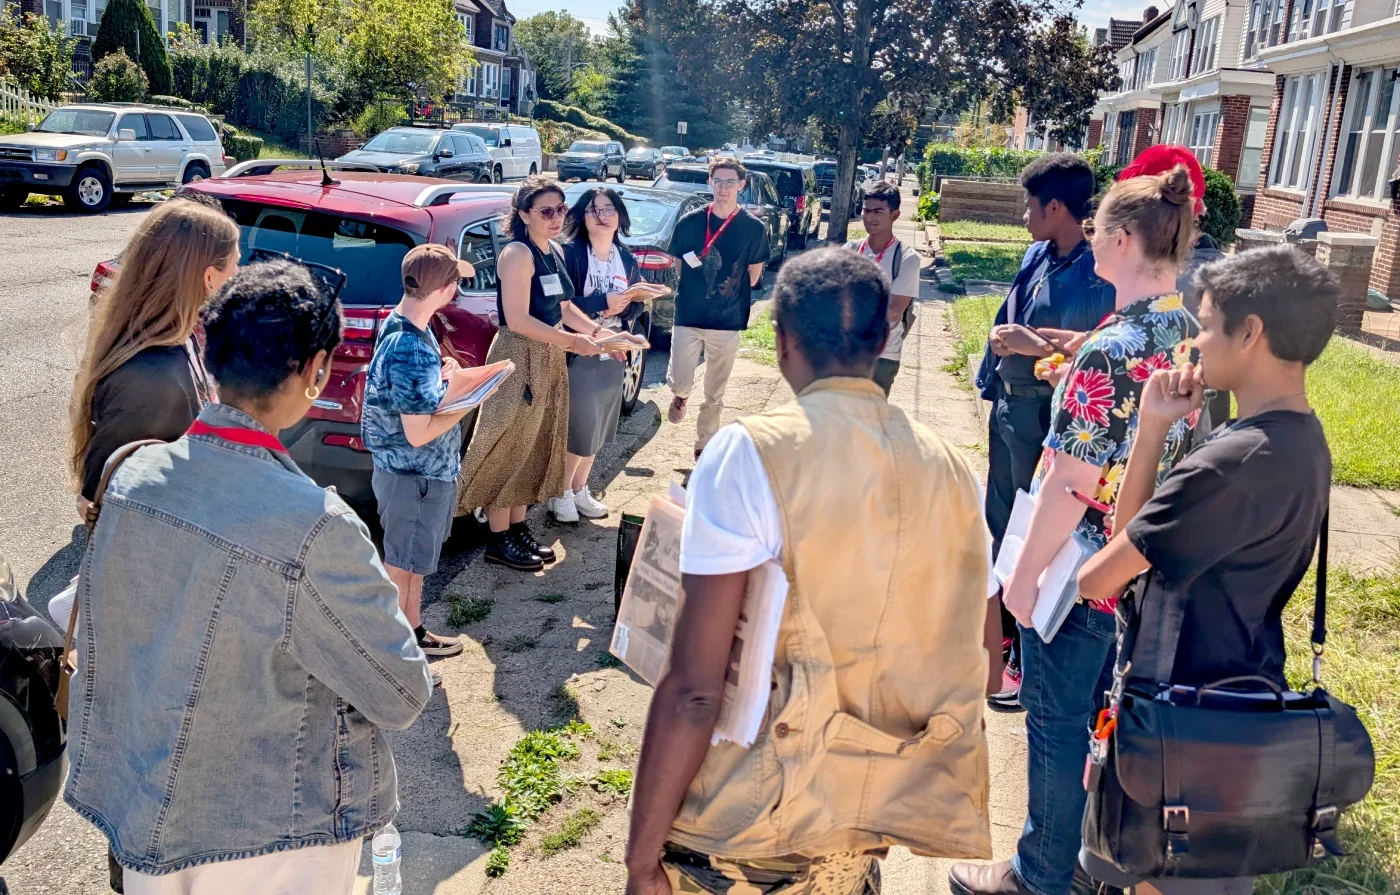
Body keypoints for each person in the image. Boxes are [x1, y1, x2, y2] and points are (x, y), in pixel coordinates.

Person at [626, 249, 994, 895]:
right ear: (884, 336)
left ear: (781, 341)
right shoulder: (952, 469)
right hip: (863, 823)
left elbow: (694, 690)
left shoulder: (749, 452)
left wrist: (639, 858)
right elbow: (982, 652)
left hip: (749, 821)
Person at [65, 260, 432, 894]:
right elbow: (401, 692)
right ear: (316, 371)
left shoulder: (130, 474)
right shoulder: (317, 527)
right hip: (273, 836)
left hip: (143, 804)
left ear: (208, 350)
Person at [950, 165, 1201, 895]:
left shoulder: (1110, 348)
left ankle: (1039, 873)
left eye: (1097, 229)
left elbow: (1069, 482)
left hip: (1080, 568)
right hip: (1145, 562)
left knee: (1055, 724)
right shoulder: (1187, 332)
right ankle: (1092, 860)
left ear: (1121, 241)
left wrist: (1022, 579)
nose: (1089, 238)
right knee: (1103, 721)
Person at [1073, 246, 1339, 895]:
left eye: (1210, 323)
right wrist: (1151, 428)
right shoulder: (1301, 440)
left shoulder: (1233, 464)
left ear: (1251, 333)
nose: (1196, 340)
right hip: (1240, 712)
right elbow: (1133, 540)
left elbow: (1098, 578)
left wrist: (1151, 438)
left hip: (1179, 731)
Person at [974, 153, 1115, 711]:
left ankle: (1024, 655)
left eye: (1030, 205)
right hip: (1009, 407)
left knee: (1036, 528)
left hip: (1046, 417)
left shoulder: (1097, 272)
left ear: (1056, 207)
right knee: (1000, 522)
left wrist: (1034, 344)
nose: (1024, 215)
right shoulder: (1036, 254)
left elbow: (1095, 353)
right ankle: (1001, 636)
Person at [454, 176, 604, 571]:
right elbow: (518, 320)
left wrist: (599, 333)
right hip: (519, 355)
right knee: (508, 444)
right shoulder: (518, 254)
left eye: (561, 209)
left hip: (548, 354)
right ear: (524, 215)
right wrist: (572, 342)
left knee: (533, 444)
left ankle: (517, 528)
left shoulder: (553, 249)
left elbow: (564, 308)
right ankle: (498, 538)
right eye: (546, 211)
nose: (556, 218)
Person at [69, 196, 240, 513]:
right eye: (234, 266)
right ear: (209, 278)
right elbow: (96, 499)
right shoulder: (151, 379)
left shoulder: (178, 337)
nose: (238, 275)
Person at [363, 243, 482, 660]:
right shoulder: (409, 345)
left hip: (416, 475)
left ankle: (411, 633)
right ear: (444, 288)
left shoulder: (409, 325)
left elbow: (414, 396)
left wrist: (444, 376)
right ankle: (394, 652)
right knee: (402, 563)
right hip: (414, 474)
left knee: (411, 560)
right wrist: (470, 398)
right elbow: (417, 433)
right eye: (455, 281)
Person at [551, 187, 668, 523]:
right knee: (580, 424)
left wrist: (631, 303)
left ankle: (580, 489)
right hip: (580, 348)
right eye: (593, 210)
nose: (601, 216)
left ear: (619, 216)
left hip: (615, 349)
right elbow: (561, 305)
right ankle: (560, 492)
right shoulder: (570, 254)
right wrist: (603, 302)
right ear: (582, 216)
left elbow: (633, 308)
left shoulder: (626, 258)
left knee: (602, 423)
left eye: (608, 209)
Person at [664, 157, 771, 459]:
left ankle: (705, 444)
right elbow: (678, 264)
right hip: (688, 314)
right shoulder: (690, 222)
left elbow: (754, 275)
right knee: (681, 379)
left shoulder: (753, 228)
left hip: (727, 319)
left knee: (715, 390)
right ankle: (681, 395)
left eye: (730, 182)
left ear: (741, 185)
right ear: (710, 182)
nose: (723, 188)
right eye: (718, 181)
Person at [845, 181, 922, 395]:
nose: (870, 217)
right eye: (866, 210)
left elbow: (893, 312)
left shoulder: (906, 258)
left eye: (878, 211)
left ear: (895, 215)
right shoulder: (850, 250)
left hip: (881, 356)